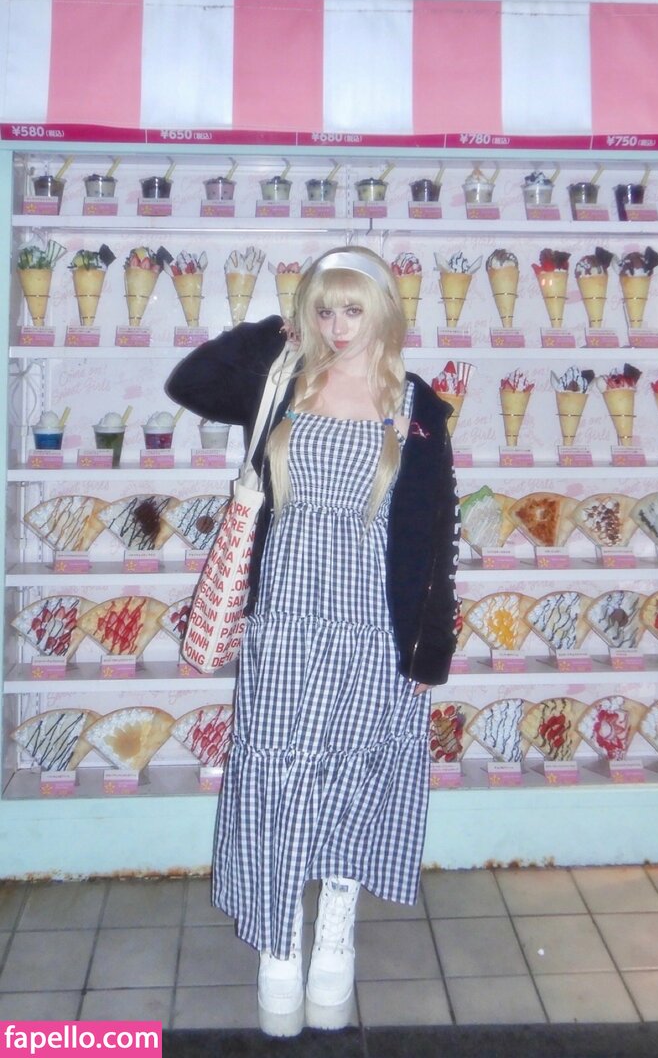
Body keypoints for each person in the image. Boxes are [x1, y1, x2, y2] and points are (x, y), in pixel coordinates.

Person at [166, 245, 459, 1036]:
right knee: (278, 781)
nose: (338, 326)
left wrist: (431, 647)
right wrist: (277, 329)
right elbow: (189, 381)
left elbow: (439, 534)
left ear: (384, 313)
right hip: (286, 623)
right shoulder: (283, 383)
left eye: (353, 309)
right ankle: (278, 945)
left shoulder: (418, 407)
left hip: (372, 630)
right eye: (324, 309)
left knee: (352, 780)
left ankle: (335, 930)